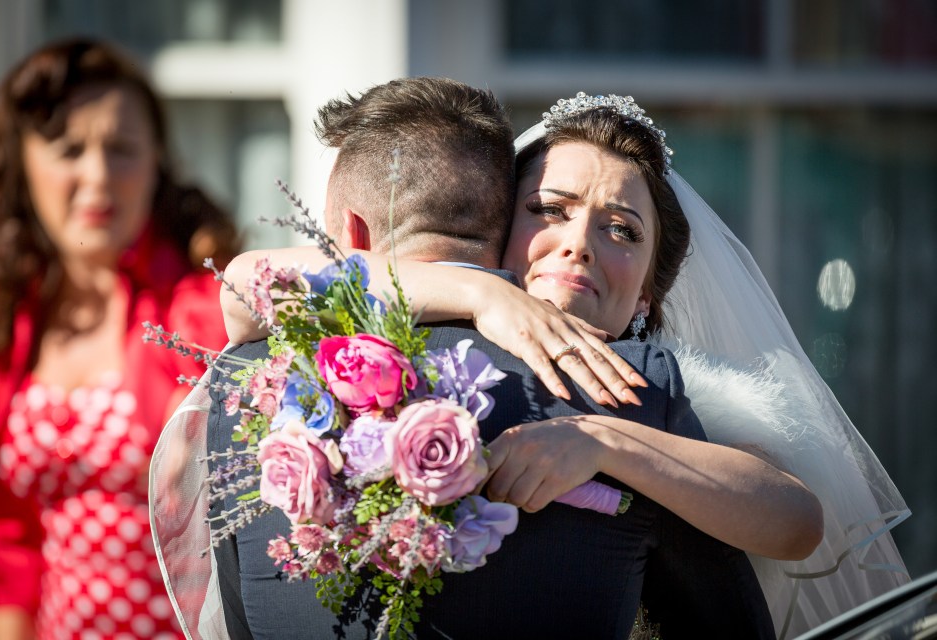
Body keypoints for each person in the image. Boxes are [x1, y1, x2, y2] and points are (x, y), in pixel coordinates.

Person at [217, 91, 910, 637]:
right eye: (549, 209)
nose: (578, 243)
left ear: (646, 291)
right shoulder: (389, 339)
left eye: (620, 230)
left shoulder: (657, 392)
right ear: (495, 227)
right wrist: (474, 290)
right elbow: (247, 277)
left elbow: (796, 522)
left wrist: (603, 439)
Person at [0, 38, 241, 639]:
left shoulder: (205, 313)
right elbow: (10, 549)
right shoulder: (1, 333)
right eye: (69, 149)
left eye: (121, 149)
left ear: (155, 164)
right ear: (24, 164)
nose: (97, 176)